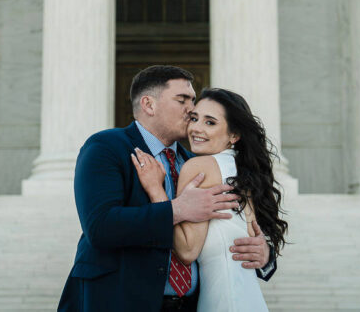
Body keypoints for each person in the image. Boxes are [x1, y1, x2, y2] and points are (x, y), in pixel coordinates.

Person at [58, 65, 276, 312]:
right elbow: (100, 226)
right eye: (182, 100)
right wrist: (176, 209)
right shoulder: (106, 146)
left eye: (193, 100)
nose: (192, 109)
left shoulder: (197, 162)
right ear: (149, 105)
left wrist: (264, 254)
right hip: (118, 301)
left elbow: (228, 232)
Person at [133, 88, 287, 312]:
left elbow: (187, 252)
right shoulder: (241, 172)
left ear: (234, 135)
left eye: (210, 122)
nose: (196, 128)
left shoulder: (199, 166)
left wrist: (157, 192)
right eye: (194, 118)